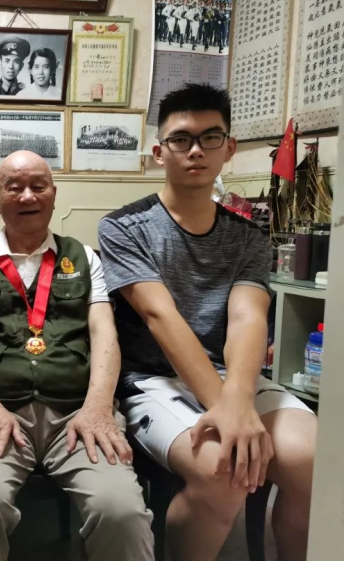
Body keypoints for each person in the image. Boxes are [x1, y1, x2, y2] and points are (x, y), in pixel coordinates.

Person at [98, 83, 316, 561]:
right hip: (152, 380)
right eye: (181, 139)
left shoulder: (249, 236)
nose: (195, 150)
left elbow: (247, 318)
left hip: (232, 375)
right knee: (222, 469)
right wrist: (228, 409)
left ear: (229, 148)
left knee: (313, 458)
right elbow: (160, 316)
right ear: (160, 152)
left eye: (210, 137)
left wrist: (235, 400)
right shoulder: (123, 227)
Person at [0, 150, 154, 561]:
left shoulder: (84, 257)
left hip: (78, 414)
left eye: (38, 186)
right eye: (14, 187)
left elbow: (104, 334)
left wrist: (98, 408)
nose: (27, 196)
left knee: (121, 511)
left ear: (54, 194)